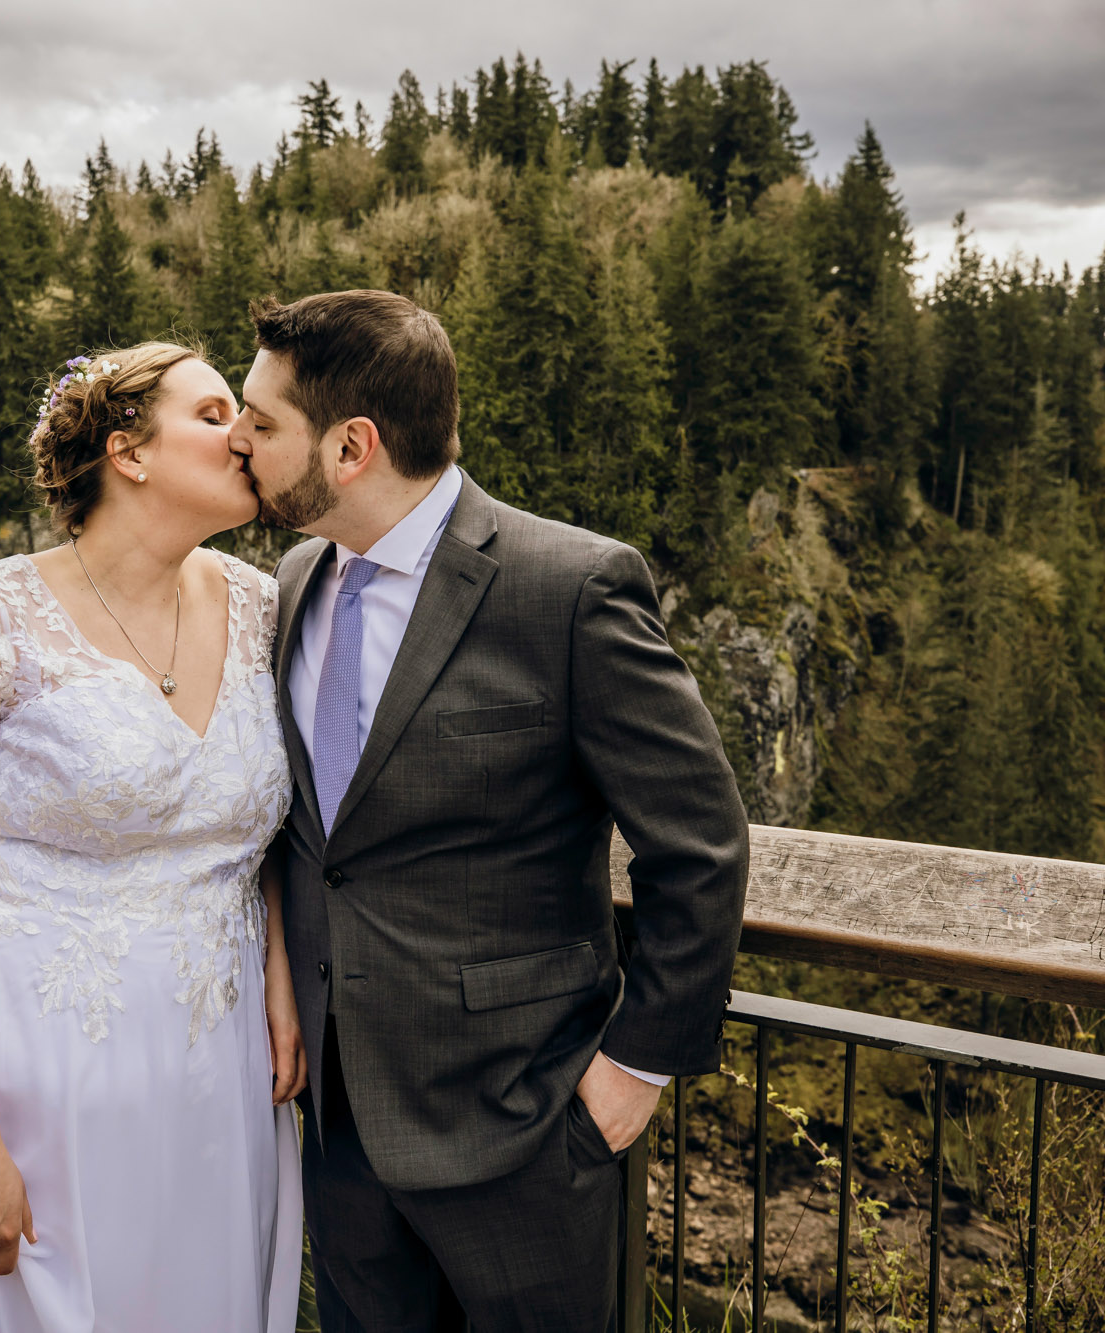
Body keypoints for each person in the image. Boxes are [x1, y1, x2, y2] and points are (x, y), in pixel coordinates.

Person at [228, 290, 750, 1332]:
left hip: (524, 1137)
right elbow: (315, 843)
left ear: (350, 446)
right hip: (340, 1135)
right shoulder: (292, 582)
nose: (236, 440)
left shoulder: (568, 588)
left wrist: (628, 1074)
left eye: (260, 419)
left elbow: (698, 844)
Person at [0, 342, 306, 1332]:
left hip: (212, 1079)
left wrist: (278, 960)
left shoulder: (266, 606)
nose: (246, 436)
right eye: (216, 414)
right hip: (22, 1080)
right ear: (126, 451)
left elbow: (255, 819)